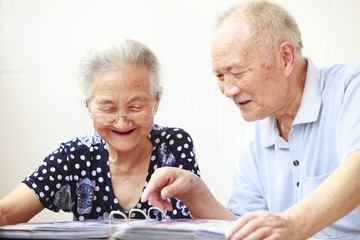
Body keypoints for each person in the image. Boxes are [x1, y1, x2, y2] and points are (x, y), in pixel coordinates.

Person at [141, 1, 360, 239]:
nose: (227, 90)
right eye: (220, 76)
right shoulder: (251, 138)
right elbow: (246, 230)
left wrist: (292, 224)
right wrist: (196, 194)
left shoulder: (350, 89)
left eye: (236, 72)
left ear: (285, 58)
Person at [0, 39, 200, 225]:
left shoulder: (175, 146)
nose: (122, 122)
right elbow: (6, 213)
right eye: (107, 108)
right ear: (88, 106)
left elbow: (202, 221)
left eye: (136, 106)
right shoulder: (75, 157)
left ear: (156, 101)